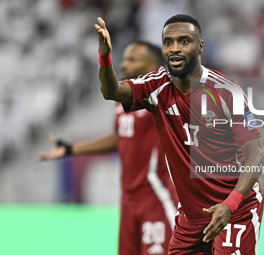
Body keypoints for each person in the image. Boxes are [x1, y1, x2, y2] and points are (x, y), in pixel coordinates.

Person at [95, 14, 264, 255]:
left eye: (184, 41)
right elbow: (111, 91)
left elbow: (257, 156)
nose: (175, 48)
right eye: (168, 42)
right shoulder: (156, 86)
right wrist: (105, 56)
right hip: (191, 216)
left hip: (235, 210)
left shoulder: (227, 92)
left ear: (200, 47)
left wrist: (230, 204)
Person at [38, 41, 178, 255]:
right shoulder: (124, 102)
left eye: (132, 59)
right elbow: (120, 136)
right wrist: (73, 149)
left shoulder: (163, 97)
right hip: (129, 202)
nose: (124, 65)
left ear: (155, 66)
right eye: (123, 59)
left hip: (156, 199)